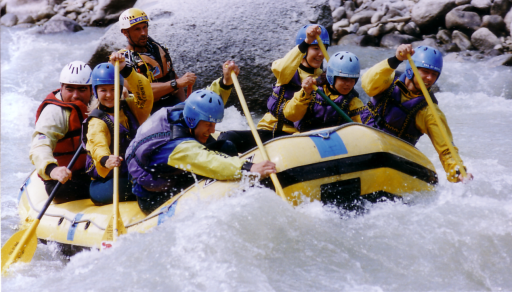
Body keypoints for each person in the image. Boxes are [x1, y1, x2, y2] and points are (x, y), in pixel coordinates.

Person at [126, 64, 276, 215]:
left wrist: (225, 81)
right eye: (208, 125)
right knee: (226, 149)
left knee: (225, 145)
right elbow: (209, 162)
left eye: (214, 125)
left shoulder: (184, 110)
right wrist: (248, 168)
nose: (212, 130)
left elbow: (207, 98)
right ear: (193, 120)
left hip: (166, 173)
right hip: (155, 198)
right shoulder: (178, 146)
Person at [359, 44, 473, 183]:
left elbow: (446, 148)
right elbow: (367, 84)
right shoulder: (387, 81)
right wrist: (396, 59)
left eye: (434, 74)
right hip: (363, 142)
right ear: (410, 70)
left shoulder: (428, 111)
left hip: (393, 157)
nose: (430, 78)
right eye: (425, 71)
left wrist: (458, 171)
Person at [218, 24, 330, 153]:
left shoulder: (325, 78)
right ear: (304, 50)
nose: (321, 54)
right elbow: (282, 68)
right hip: (272, 131)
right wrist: (307, 42)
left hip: (298, 137)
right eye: (316, 48)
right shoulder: (288, 71)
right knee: (228, 138)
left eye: (324, 48)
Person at [81, 52, 153, 205]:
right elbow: (97, 145)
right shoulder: (96, 121)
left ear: (120, 89)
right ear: (95, 91)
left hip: (132, 172)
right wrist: (106, 159)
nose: (109, 95)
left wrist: (126, 70)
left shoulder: (130, 107)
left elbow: (145, 95)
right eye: (103, 90)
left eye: (114, 89)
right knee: (146, 183)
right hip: (106, 182)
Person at [30, 61, 93, 204]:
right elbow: (40, 145)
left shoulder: (103, 99)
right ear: (61, 88)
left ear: (91, 89)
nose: (75, 96)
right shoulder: (54, 112)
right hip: (65, 177)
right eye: (70, 89)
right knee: (64, 191)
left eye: (82, 89)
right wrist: (53, 170)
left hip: (95, 170)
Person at [118, 8, 197, 113]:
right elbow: (143, 93)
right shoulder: (123, 60)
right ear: (125, 32)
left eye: (145, 27)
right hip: (148, 111)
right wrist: (176, 84)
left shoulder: (157, 48)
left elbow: (173, 76)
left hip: (172, 103)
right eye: (137, 29)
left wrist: (184, 108)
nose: (143, 33)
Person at [289, 51, 365, 132]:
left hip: (335, 142)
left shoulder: (354, 103)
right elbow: (291, 116)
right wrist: (305, 93)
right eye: (344, 78)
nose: (348, 84)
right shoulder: (311, 90)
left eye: (352, 79)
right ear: (331, 77)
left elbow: (362, 130)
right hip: (306, 138)